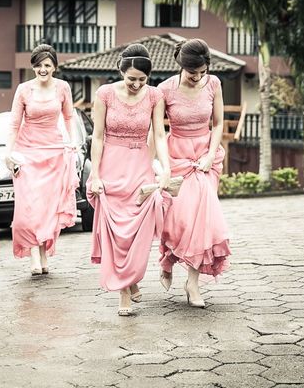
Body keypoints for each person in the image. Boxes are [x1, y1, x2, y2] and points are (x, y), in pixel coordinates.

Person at [88, 43, 171, 316]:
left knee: (138, 227)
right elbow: (97, 136)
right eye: (131, 78)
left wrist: (165, 168)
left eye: (142, 80)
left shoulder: (155, 96)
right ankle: (124, 291)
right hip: (111, 164)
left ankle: (132, 276)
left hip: (139, 165)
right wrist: (95, 173)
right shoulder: (105, 94)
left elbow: (159, 134)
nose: (136, 84)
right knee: (117, 232)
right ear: (121, 72)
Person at [157, 39, 231, 308]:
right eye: (192, 73)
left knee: (202, 220)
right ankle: (167, 259)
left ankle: (193, 282)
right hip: (177, 155)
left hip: (205, 155)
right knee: (177, 219)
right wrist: (163, 165)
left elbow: (219, 122)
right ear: (181, 67)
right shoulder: (164, 90)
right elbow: (156, 130)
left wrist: (210, 155)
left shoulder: (214, 84)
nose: (198, 77)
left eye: (202, 71)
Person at [5, 44, 78, 275]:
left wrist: (71, 142)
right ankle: (34, 256)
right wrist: (9, 154)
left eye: (47, 65)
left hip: (54, 152)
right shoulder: (24, 90)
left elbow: (68, 117)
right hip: (27, 153)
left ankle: (44, 253)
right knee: (30, 206)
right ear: (33, 67)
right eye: (38, 65)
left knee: (47, 208)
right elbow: (15, 123)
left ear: (54, 66)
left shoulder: (63, 88)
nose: (42, 69)